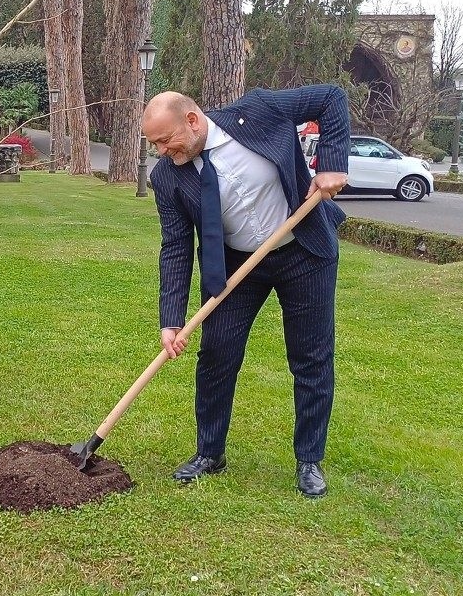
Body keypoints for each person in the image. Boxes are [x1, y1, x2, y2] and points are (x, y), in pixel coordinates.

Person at [141, 85, 350, 498]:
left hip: (303, 250)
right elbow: (176, 246)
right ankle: (209, 453)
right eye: (154, 144)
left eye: (165, 140)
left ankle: (310, 460)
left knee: (310, 357)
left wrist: (331, 163)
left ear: (193, 120)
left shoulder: (258, 111)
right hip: (236, 267)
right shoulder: (166, 176)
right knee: (217, 353)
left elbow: (331, 98)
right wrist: (171, 319)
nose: (162, 151)